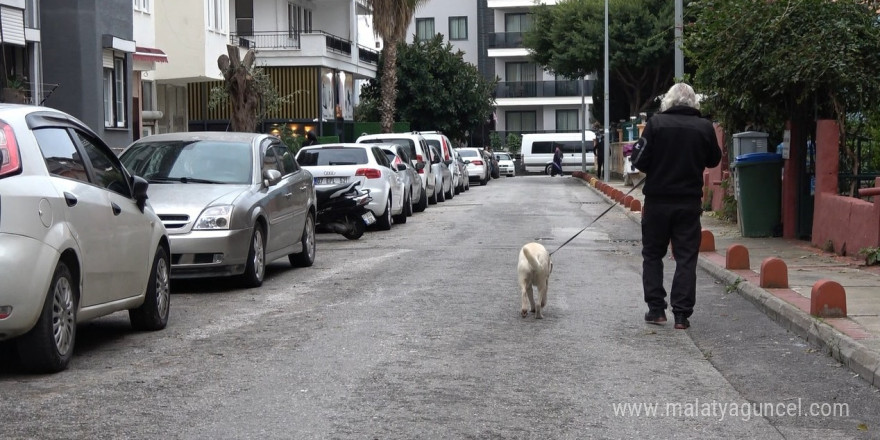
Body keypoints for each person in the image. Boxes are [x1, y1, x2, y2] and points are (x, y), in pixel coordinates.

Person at [630, 83, 722, 330]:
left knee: (652, 255)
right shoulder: (704, 127)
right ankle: (681, 315)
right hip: (688, 203)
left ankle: (657, 310)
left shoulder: (656, 124)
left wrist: (657, 167)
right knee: (686, 258)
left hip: (657, 202)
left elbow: (638, 159)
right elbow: (714, 158)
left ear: (668, 101)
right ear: (693, 103)